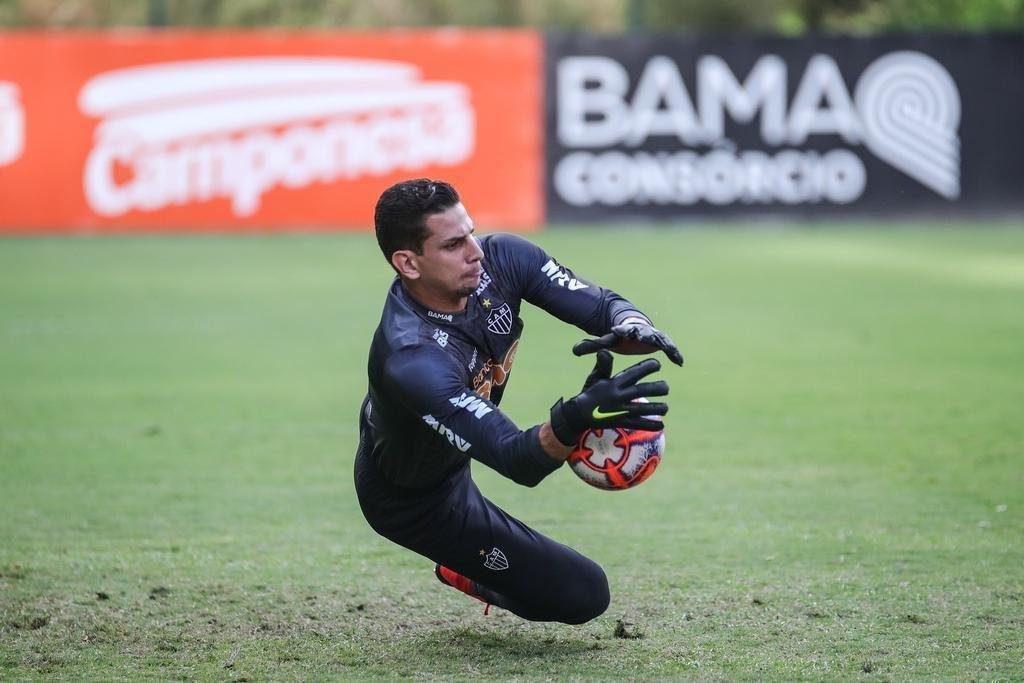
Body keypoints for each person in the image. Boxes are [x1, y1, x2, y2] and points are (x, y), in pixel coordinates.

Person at [354, 178, 683, 625]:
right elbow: (518, 461)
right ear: (408, 263)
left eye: (471, 231)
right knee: (583, 594)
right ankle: (462, 569)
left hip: (450, 452)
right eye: (454, 244)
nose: (476, 251)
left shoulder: (504, 258)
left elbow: (602, 304)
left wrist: (632, 322)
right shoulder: (413, 360)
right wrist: (576, 416)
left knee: (578, 591)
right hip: (413, 501)